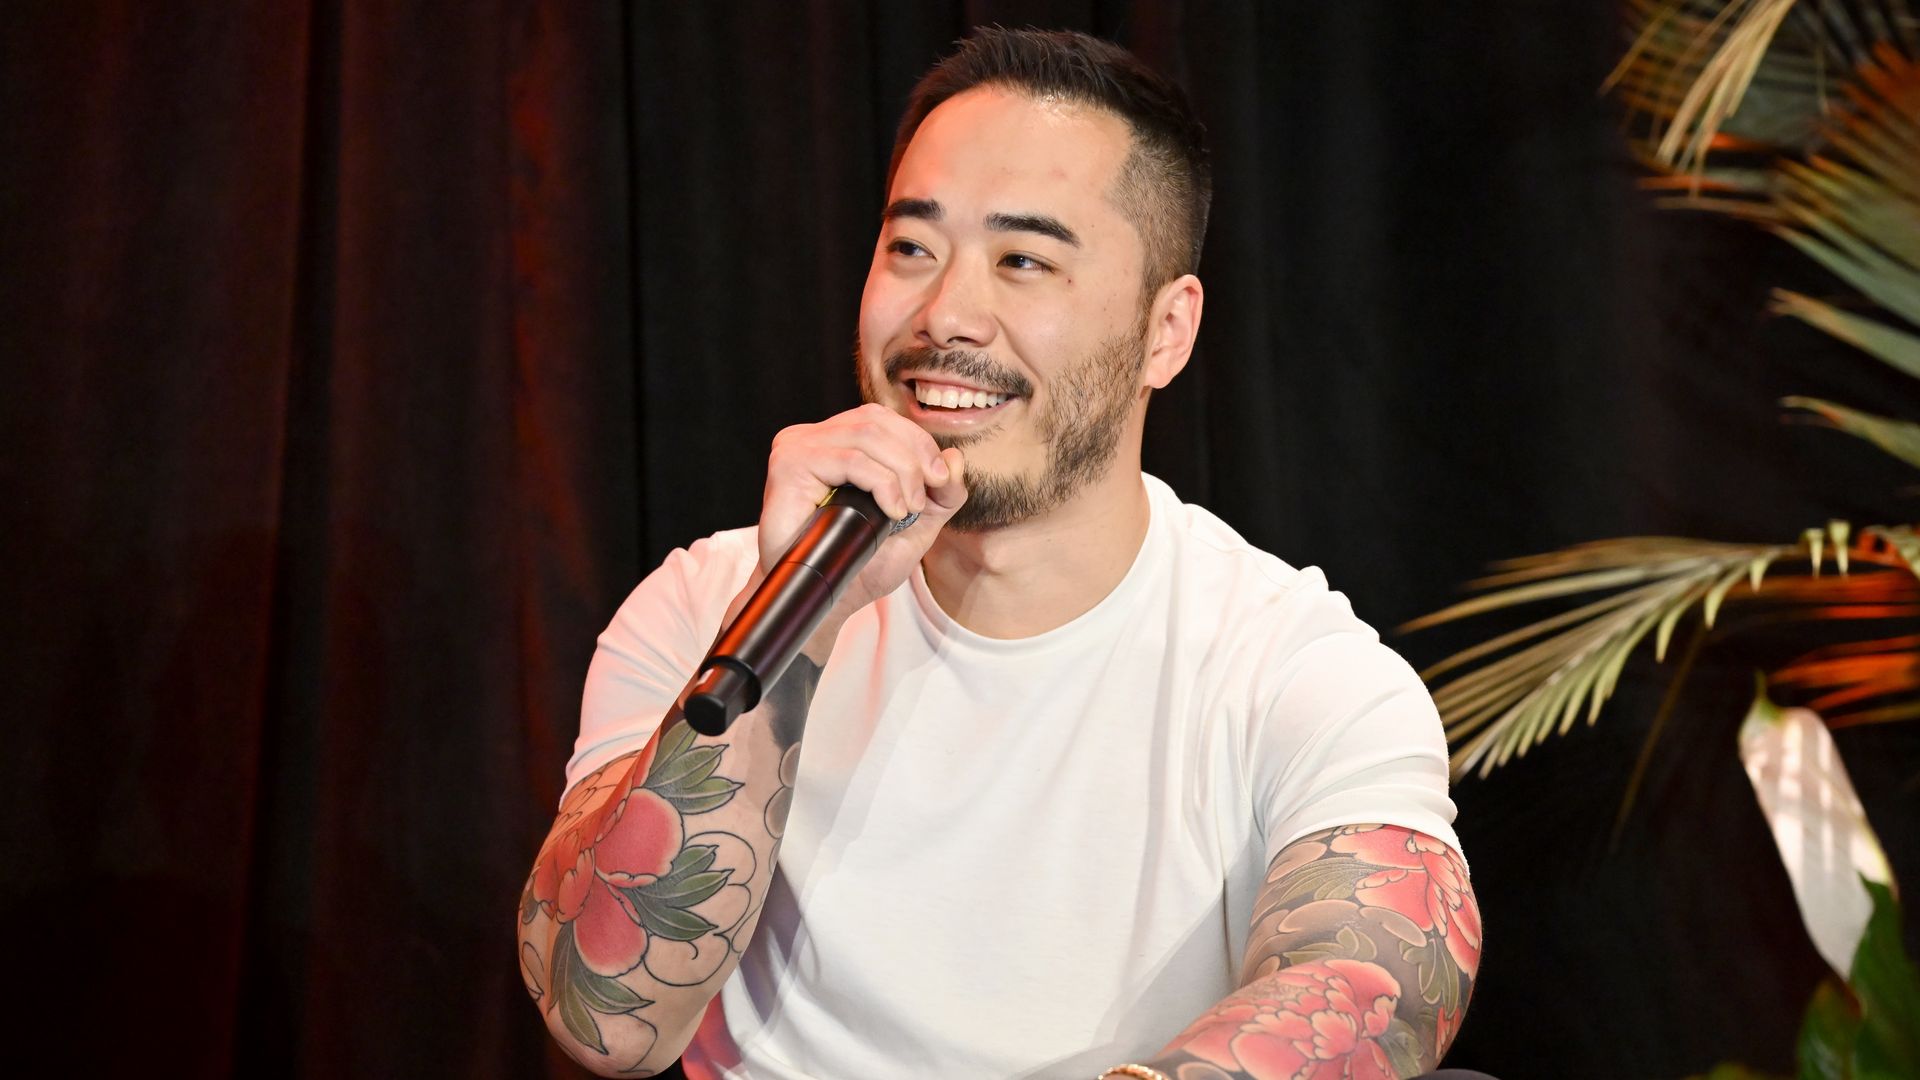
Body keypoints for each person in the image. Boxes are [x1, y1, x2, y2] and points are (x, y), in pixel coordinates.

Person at [519, 28, 1481, 1080]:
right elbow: (602, 1018)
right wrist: (793, 629)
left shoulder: (1294, 670)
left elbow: (1363, 989)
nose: (946, 316)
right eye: (911, 249)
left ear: (1169, 330)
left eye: (1023, 260)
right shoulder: (708, 604)